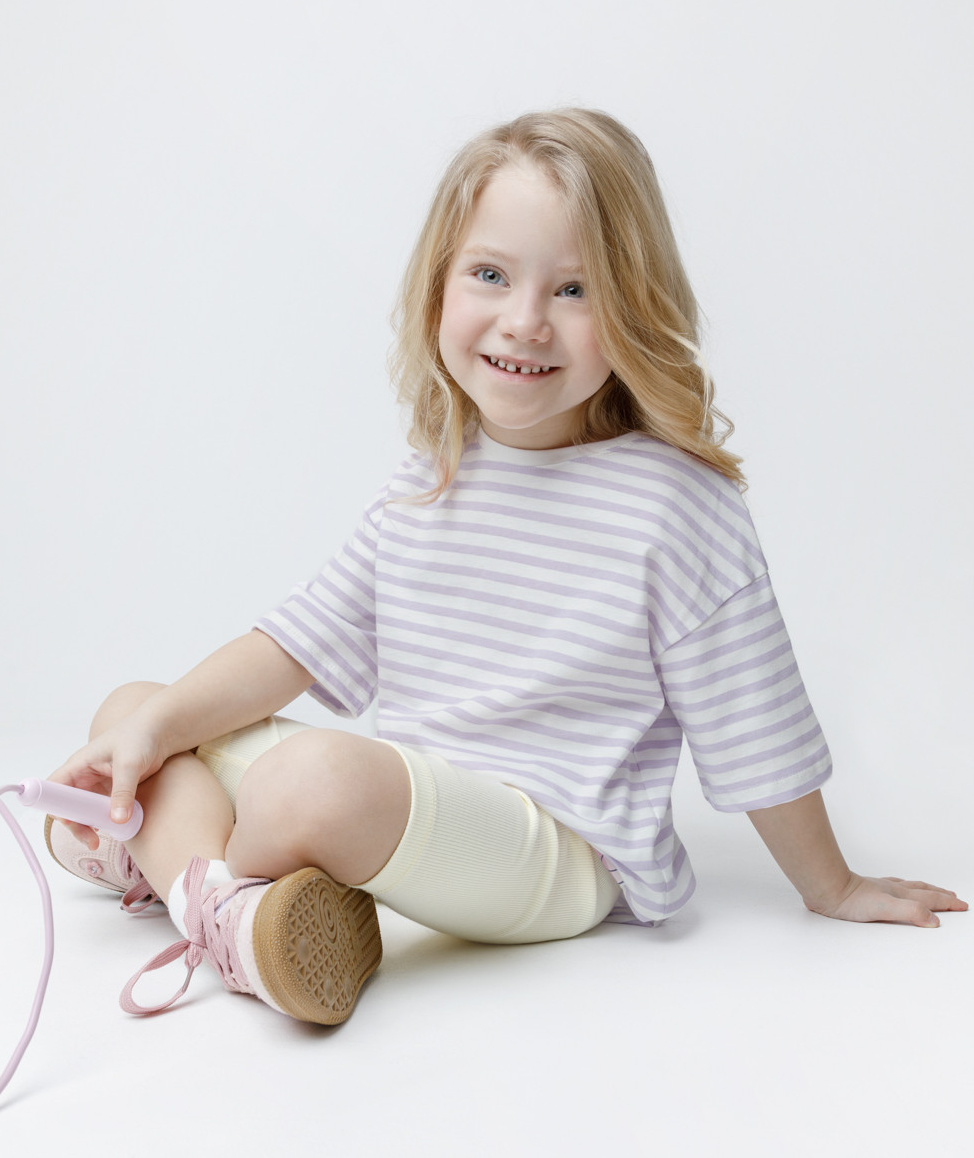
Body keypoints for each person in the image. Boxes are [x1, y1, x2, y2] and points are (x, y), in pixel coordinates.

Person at [47, 108, 966, 1025]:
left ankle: (171, 861)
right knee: (135, 709)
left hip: (556, 852)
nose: (525, 322)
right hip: (412, 802)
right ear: (439, 288)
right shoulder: (432, 476)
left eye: (574, 289)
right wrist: (159, 726)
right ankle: (236, 911)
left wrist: (831, 884)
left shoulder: (675, 503)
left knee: (307, 779)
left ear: (634, 307)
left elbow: (753, 715)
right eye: (490, 274)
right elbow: (295, 644)